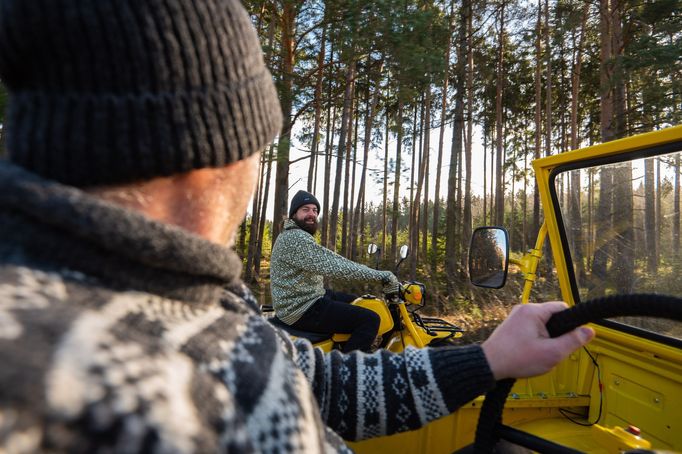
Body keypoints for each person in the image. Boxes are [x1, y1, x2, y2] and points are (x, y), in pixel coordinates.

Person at [0, 0, 595, 452]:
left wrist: (488, 359)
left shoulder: (185, 303)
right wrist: (383, 275)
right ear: (212, 155)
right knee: (363, 317)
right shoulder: (143, 401)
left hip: (300, 313)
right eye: (261, 144)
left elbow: (319, 384)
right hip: (303, 308)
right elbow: (332, 275)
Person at [270, 190, 401, 352]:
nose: (312, 214)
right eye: (305, 209)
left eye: (315, 210)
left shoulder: (294, 235)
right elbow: (337, 266)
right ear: (293, 214)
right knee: (370, 319)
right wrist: (382, 276)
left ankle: (344, 346)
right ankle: (345, 369)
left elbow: (333, 262)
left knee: (356, 300)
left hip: (306, 297)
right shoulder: (295, 238)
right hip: (301, 308)